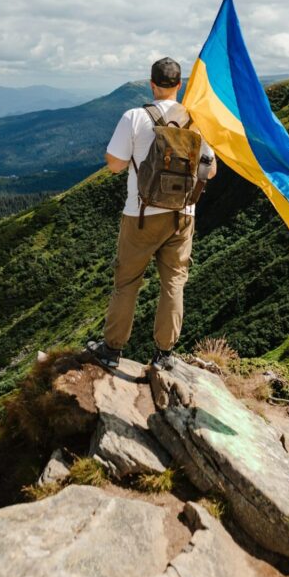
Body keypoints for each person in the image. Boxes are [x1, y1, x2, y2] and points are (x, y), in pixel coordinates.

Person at [86, 56, 216, 370]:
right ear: (180, 85)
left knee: (127, 282)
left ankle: (112, 350)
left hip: (141, 215)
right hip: (183, 216)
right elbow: (209, 173)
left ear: (152, 84)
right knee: (173, 283)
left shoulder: (135, 116)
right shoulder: (196, 121)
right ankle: (164, 355)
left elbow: (115, 164)